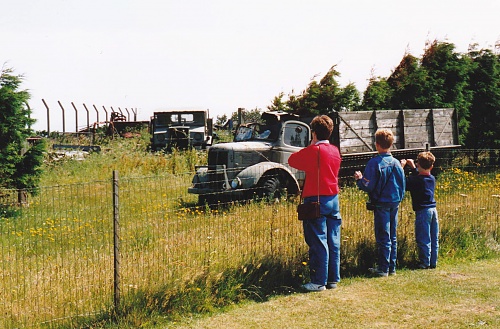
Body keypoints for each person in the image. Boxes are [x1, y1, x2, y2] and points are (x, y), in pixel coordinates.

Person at [288, 115, 342, 292]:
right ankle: (332, 279)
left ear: (314, 133)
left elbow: (292, 160)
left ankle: (318, 281)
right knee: (333, 241)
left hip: (316, 199)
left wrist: (312, 144)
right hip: (333, 198)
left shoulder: (314, 151)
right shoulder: (335, 150)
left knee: (318, 241)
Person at [354, 129, 405, 277]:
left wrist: (359, 179)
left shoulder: (374, 162)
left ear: (376, 144)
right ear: (391, 143)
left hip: (381, 202)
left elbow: (367, 185)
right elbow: (402, 184)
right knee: (392, 236)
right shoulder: (396, 163)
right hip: (394, 202)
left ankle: (383, 268)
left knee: (383, 235)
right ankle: (392, 267)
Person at [401, 152, 439, 269]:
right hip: (433, 210)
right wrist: (413, 167)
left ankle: (424, 262)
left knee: (423, 238)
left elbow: (403, 183)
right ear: (431, 166)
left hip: (423, 211)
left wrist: (402, 167)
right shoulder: (431, 179)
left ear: (418, 165)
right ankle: (433, 261)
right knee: (434, 237)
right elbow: (420, 176)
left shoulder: (414, 180)